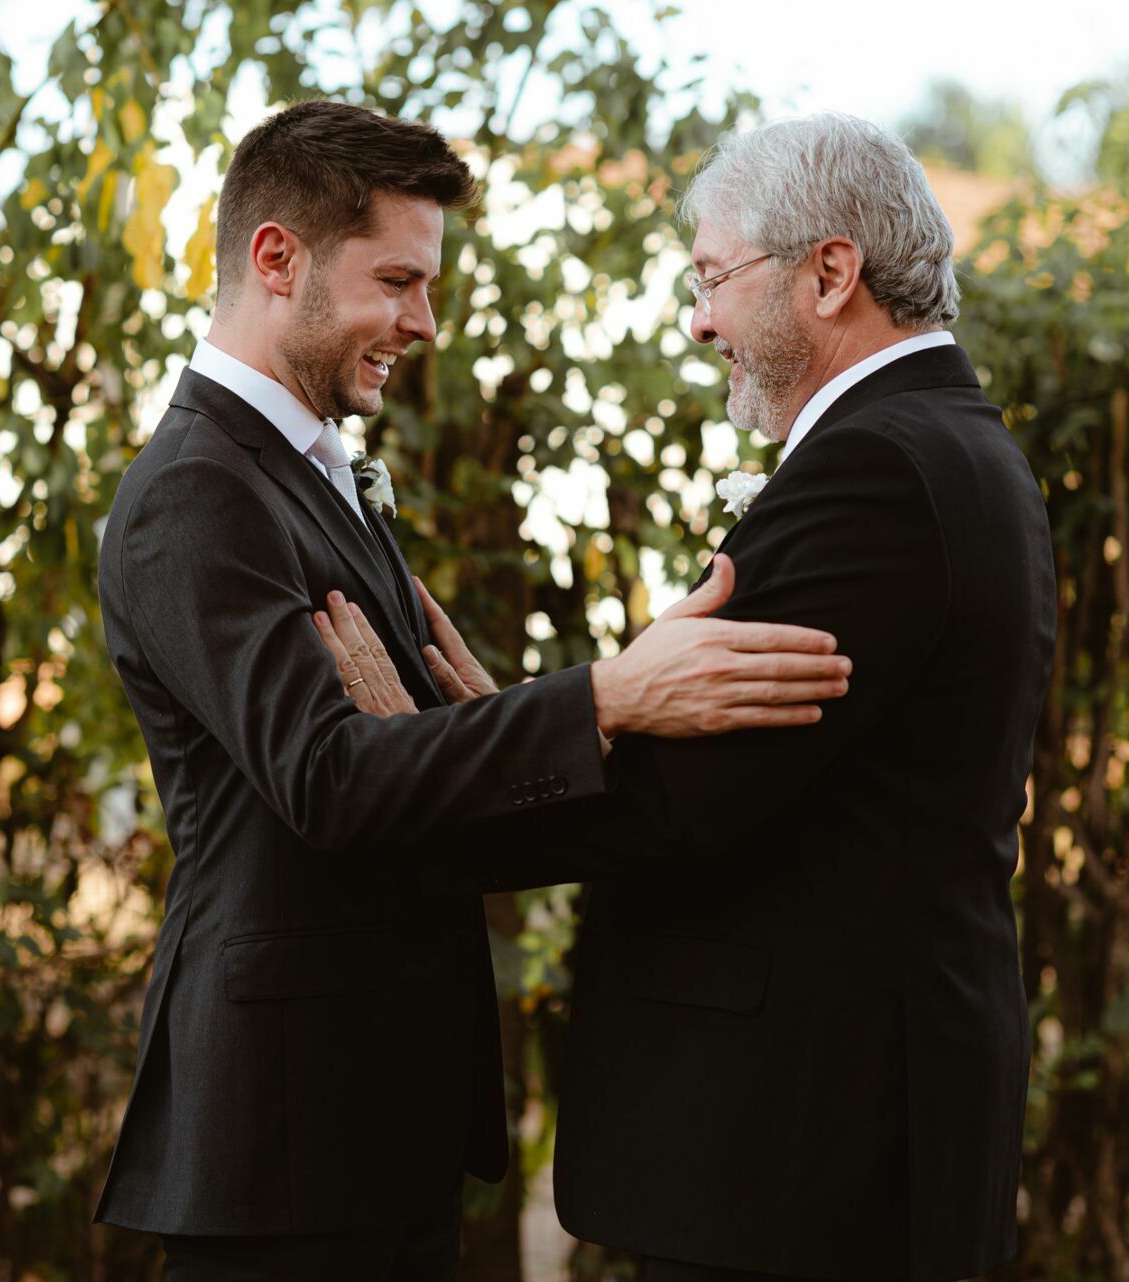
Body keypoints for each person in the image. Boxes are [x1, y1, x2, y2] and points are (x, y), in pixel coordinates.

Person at [90, 99, 854, 1282]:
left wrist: (512, 727)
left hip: (372, 1119)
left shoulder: (311, 473)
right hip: (280, 1146)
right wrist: (605, 697)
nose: (423, 321)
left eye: (429, 285)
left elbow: (410, 777)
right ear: (275, 258)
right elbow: (332, 778)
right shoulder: (197, 492)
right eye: (397, 280)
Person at [331, 111, 1057, 1281]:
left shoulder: (875, 471)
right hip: (845, 1135)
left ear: (831, 273)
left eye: (714, 278)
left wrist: (443, 749)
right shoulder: (952, 446)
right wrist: (579, 704)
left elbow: (676, 793)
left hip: (809, 1158)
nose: (700, 318)